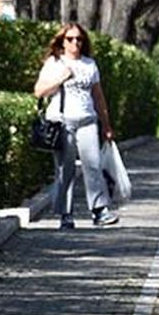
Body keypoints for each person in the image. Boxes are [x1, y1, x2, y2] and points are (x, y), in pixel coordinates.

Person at [34, 23, 119, 229]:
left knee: (93, 166)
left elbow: (98, 97)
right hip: (63, 123)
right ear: (62, 41)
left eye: (79, 39)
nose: (75, 43)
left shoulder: (90, 64)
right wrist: (61, 77)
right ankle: (66, 214)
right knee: (66, 170)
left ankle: (100, 211)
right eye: (70, 39)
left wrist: (106, 125)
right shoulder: (54, 63)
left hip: (87, 121)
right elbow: (39, 91)